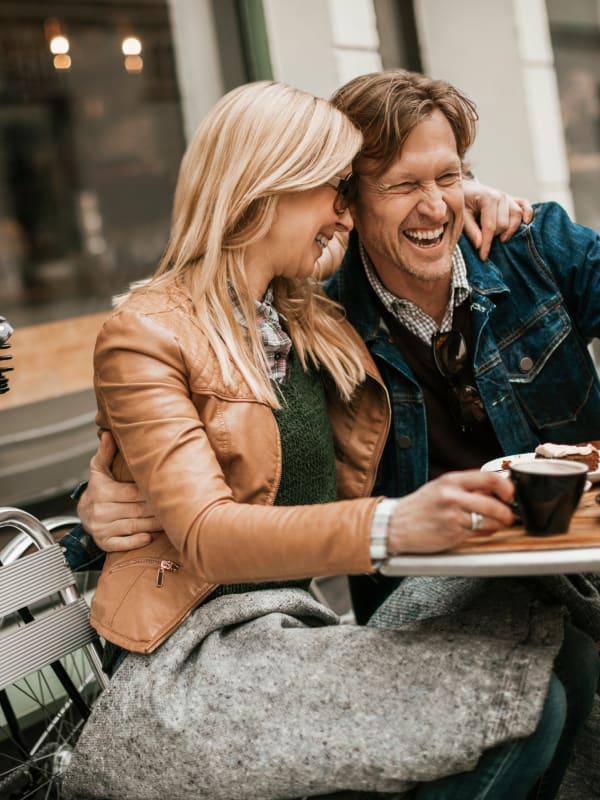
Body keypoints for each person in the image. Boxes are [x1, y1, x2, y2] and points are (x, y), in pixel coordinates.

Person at [62, 80, 569, 800]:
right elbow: (199, 527)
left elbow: (404, 219)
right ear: (266, 190)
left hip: (291, 628)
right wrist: (394, 523)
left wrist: (467, 192)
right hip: (199, 652)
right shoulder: (147, 332)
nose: (343, 210)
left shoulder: (305, 317)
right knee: (521, 711)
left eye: (346, 189)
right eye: (331, 189)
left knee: (547, 625)